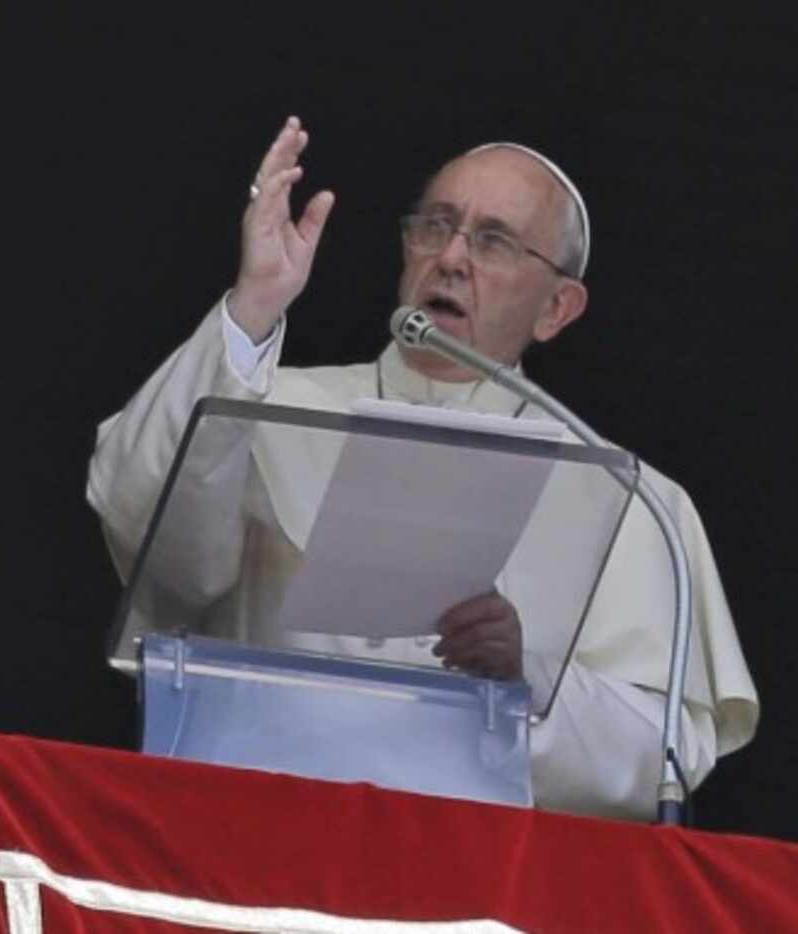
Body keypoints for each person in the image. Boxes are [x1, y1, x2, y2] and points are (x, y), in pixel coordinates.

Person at [86, 116, 758, 820]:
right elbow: (147, 526)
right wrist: (253, 306)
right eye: (434, 226)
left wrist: (523, 677)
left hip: (489, 885)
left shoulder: (628, 497)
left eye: (492, 240)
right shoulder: (259, 405)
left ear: (556, 307)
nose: (450, 257)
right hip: (261, 834)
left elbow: (667, 758)